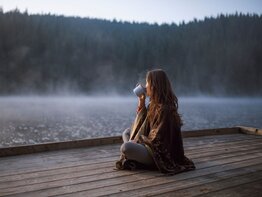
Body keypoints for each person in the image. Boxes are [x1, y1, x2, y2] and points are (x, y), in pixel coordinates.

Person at [116, 69, 195, 175]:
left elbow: (157, 140)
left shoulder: (165, 109)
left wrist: (138, 140)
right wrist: (141, 102)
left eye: (147, 83)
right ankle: (133, 156)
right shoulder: (153, 104)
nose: (145, 86)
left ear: (155, 85)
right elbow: (140, 126)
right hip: (148, 145)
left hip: (158, 154)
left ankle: (134, 157)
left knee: (126, 147)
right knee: (126, 132)